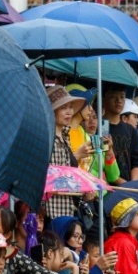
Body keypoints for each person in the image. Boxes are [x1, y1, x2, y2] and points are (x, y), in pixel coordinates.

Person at [45, 86, 86, 221]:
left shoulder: (65, 136)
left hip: (67, 206)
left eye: (70, 107)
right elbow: (54, 175)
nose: (69, 112)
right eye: (63, 107)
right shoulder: (48, 139)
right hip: (52, 208)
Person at [101, 84, 138, 184]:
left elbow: (137, 160)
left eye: (122, 96)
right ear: (104, 99)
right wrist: (123, 184)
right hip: (106, 186)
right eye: (113, 96)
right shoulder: (99, 128)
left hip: (129, 186)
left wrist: (133, 184)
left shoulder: (130, 130)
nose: (118, 100)